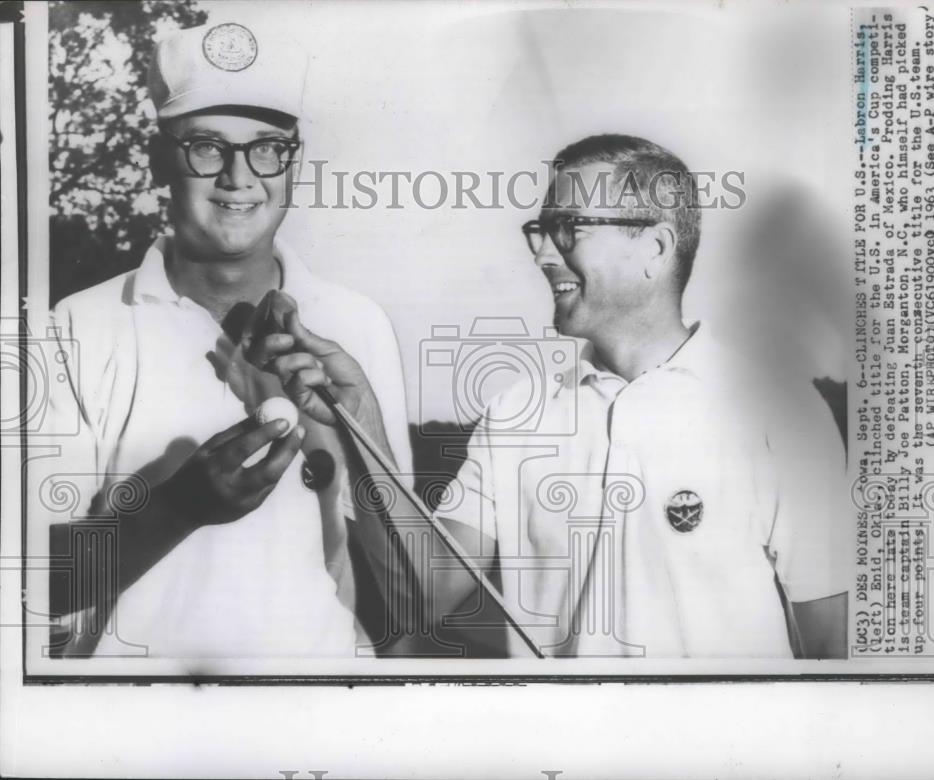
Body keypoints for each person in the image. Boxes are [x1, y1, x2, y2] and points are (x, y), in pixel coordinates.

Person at [259, 134, 850, 659]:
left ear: (655, 247)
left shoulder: (779, 411)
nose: (543, 254)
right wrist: (357, 415)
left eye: (569, 228)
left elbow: (831, 644)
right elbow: (426, 594)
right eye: (540, 231)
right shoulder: (517, 412)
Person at [42, 20, 412, 662]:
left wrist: (363, 435)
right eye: (207, 147)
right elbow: (34, 581)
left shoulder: (357, 324)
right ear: (160, 160)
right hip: (134, 723)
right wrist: (178, 508)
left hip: (317, 712)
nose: (240, 177)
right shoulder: (76, 325)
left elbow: (408, 591)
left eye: (267, 148)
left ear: (293, 161)